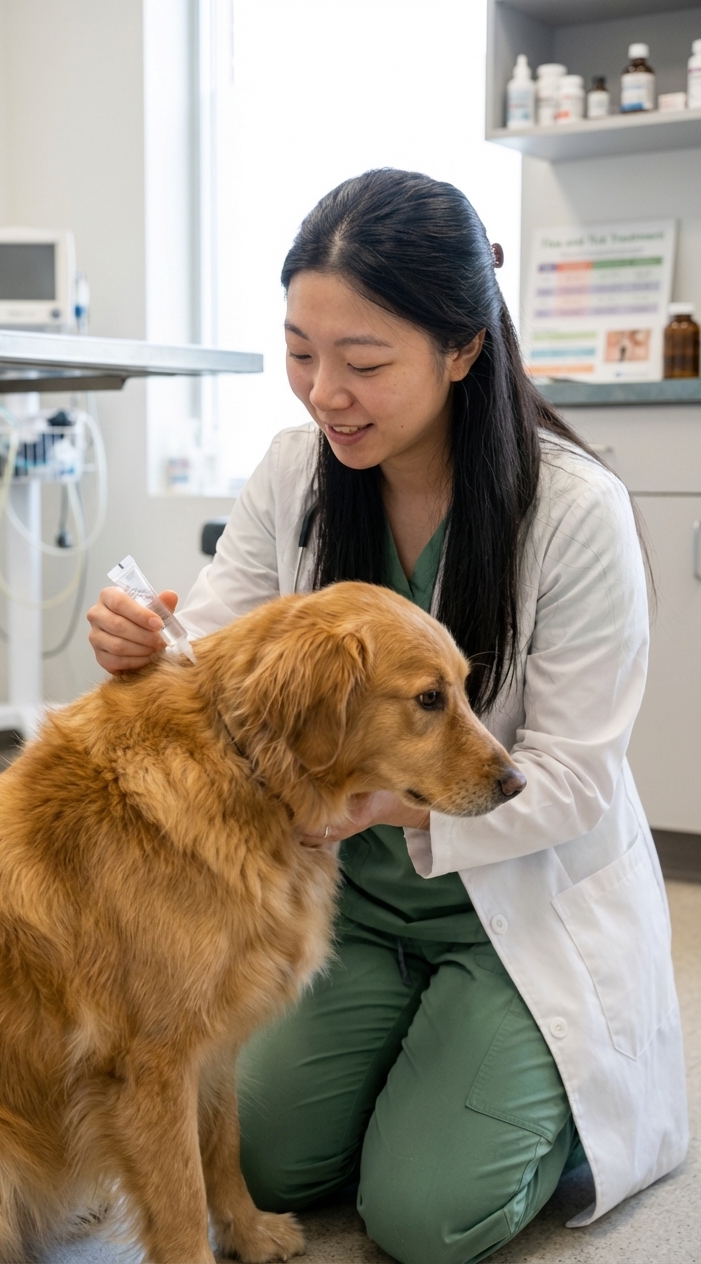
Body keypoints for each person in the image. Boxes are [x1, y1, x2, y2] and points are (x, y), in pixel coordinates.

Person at [86, 169, 687, 1264]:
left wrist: (371, 807)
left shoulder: (573, 511)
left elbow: (569, 777)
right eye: (300, 350)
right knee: (259, 1161)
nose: (324, 392)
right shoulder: (295, 476)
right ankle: (408, 1049)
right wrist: (144, 653)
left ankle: (522, 1088)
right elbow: (213, 672)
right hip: (349, 907)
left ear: (462, 349)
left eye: (363, 362)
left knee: (423, 1213)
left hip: (513, 906)